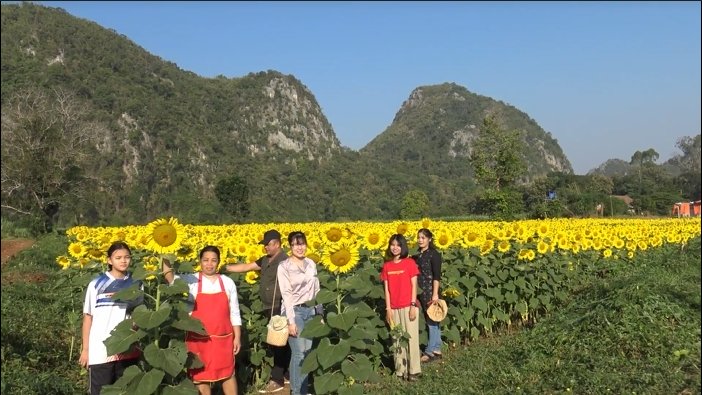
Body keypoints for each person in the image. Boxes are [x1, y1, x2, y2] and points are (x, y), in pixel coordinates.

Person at [163, 246, 242, 395]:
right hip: (198, 339)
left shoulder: (227, 282)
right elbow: (170, 278)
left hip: (223, 338)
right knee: (201, 376)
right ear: (200, 261)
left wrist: (237, 337)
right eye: (205, 260)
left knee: (228, 374)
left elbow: (235, 313)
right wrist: (164, 252)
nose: (209, 264)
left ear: (218, 262)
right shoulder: (191, 280)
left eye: (213, 260)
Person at [225, 229, 291, 393]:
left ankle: (277, 378)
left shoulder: (285, 261)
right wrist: (226, 268)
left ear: (276, 244)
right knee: (281, 342)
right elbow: (247, 267)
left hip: (280, 305)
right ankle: (288, 374)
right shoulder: (266, 259)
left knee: (278, 343)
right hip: (268, 306)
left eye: (267, 245)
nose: (265, 248)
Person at [79, 241, 143, 395]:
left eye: (127, 257)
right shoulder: (97, 284)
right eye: (118, 257)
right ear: (109, 260)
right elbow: (88, 318)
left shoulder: (136, 283)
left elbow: (139, 314)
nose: (123, 261)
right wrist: (85, 349)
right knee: (101, 391)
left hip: (127, 347)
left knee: (125, 391)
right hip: (101, 349)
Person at [277, 231, 320, 395]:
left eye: (301, 243)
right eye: (295, 244)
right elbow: (286, 294)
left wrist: (319, 312)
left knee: (307, 352)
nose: (299, 247)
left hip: (310, 310)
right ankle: (297, 391)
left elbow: (316, 289)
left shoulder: (311, 263)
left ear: (306, 245)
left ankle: (303, 388)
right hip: (293, 311)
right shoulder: (284, 266)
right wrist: (291, 320)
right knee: (299, 353)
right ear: (290, 247)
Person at [380, 234, 421, 381]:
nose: (395, 247)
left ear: (403, 247)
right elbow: (387, 289)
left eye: (398, 245)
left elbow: (414, 285)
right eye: (392, 244)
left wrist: (412, 304)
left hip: (408, 306)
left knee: (411, 339)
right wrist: (388, 308)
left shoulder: (409, 263)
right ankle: (400, 370)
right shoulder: (387, 266)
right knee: (396, 340)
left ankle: (413, 370)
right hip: (394, 308)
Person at [412, 228, 444, 363]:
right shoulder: (417, 254)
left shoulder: (434, 254)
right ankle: (437, 348)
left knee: (432, 320)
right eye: (419, 237)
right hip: (420, 291)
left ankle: (430, 351)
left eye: (423, 238)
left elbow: (437, 276)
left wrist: (435, 294)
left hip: (430, 291)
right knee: (432, 319)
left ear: (429, 239)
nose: (420, 240)